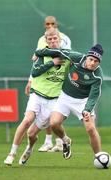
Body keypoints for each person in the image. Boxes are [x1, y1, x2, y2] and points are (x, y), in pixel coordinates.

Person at [4, 27, 70, 166]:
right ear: (46, 41)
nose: (53, 41)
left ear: (60, 40)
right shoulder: (41, 55)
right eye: (50, 39)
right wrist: (52, 62)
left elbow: (80, 62)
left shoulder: (68, 56)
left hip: (54, 99)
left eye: (55, 38)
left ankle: (62, 141)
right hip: (37, 95)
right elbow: (35, 72)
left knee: (33, 133)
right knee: (27, 120)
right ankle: (12, 154)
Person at [35, 44, 103, 160]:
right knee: (54, 123)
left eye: (96, 61)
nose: (92, 63)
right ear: (87, 57)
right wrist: (38, 53)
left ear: (98, 63)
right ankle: (65, 140)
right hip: (65, 97)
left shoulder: (97, 76)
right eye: (91, 59)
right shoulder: (76, 57)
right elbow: (58, 51)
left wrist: (87, 110)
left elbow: (93, 97)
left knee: (91, 128)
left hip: (82, 102)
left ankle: (99, 157)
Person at [25, 16, 71, 153]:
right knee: (43, 114)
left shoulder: (65, 38)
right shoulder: (41, 39)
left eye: (52, 23)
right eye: (47, 24)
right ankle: (49, 141)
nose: (50, 25)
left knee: (53, 115)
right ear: (45, 25)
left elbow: (64, 55)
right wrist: (30, 80)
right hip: (44, 79)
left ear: (57, 24)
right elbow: (37, 60)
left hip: (59, 77)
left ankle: (58, 141)